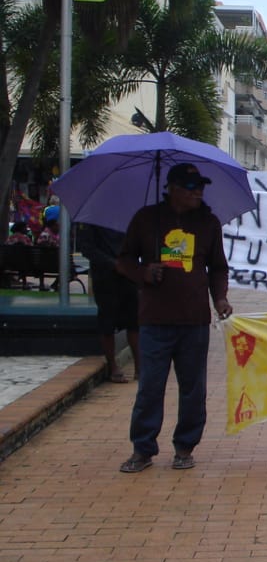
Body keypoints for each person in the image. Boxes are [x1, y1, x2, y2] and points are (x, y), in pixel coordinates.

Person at [115, 163, 232, 474]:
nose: (197, 192)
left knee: (193, 388)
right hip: (155, 319)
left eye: (200, 187)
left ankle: (185, 447)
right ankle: (143, 449)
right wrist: (144, 273)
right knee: (150, 387)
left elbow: (218, 267)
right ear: (172, 188)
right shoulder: (146, 220)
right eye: (190, 186)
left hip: (194, 321)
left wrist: (219, 298)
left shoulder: (208, 223)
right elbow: (123, 260)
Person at [78, 223, 141, 384]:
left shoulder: (130, 217)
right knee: (108, 322)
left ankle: (140, 367)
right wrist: (112, 264)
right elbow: (86, 248)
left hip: (129, 275)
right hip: (105, 277)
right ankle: (113, 366)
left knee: (134, 321)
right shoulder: (92, 221)